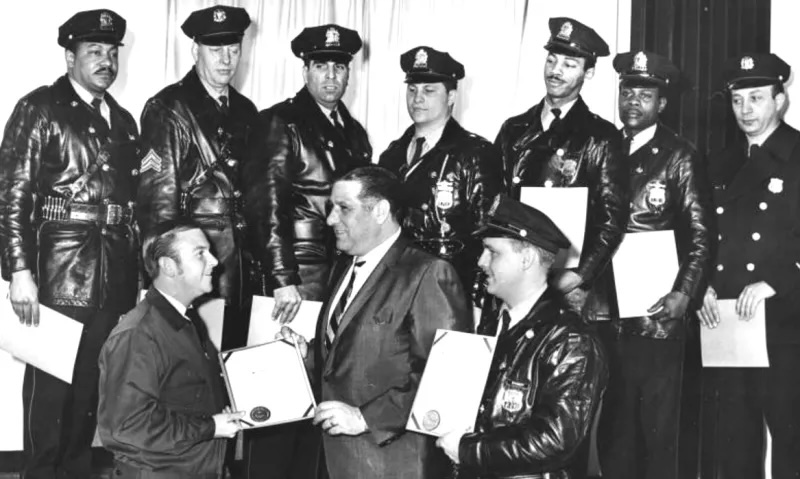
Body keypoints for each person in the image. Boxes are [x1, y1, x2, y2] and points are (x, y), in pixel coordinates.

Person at [0, 10, 139, 478]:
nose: (106, 61)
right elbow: (12, 194)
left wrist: (135, 279)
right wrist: (20, 271)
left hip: (111, 277)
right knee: (50, 398)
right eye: (94, 52)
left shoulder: (122, 121)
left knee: (88, 396)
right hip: (57, 273)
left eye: (112, 52)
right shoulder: (38, 109)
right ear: (69, 56)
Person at [280, 166, 472, 478]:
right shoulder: (343, 266)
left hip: (391, 463)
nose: (330, 220)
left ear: (381, 210)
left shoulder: (428, 273)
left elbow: (445, 380)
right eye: (331, 208)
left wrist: (365, 418)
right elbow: (349, 352)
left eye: (343, 208)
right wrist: (310, 355)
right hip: (333, 460)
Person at [241, 24, 371, 479]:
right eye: (322, 66)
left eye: (339, 67)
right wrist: (282, 279)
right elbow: (266, 205)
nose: (331, 76)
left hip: (338, 279)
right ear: (306, 70)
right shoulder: (280, 122)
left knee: (320, 393)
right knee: (278, 401)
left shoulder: (354, 133)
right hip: (295, 279)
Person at [596, 51, 714, 479]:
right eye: (628, 91)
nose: (633, 101)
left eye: (644, 94)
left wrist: (685, 291)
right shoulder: (603, 148)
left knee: (659, 432)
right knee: (613, 431)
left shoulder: (680, 156)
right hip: (604, 312)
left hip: (656, 316)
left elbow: (702, 235)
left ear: (662, 104)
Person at [435, 195, 607, 479]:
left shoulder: (571, 341)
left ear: (526, 259)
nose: (480, 261)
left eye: (493, 252)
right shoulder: (492, 324)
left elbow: (554, 440)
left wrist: (469, 451)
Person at [697, 53, 800, 479]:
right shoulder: (719, 161)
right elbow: (699, 236)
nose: (745, 111)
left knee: (792, 438)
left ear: (781, 100)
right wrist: (699, 283)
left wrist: (774, 282)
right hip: (728, 319)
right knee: (733, 439)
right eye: (737, 101)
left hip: (784, 320)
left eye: (756, 98)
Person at [136, 5, 259, 350]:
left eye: (233, 50)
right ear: (196, 50)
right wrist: (160, 280)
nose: (226, 60)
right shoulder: (169, 108)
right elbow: (157, 204)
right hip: (192, 265)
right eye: (215, 50)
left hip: (240, 266)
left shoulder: (246, 111)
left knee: (233, 360)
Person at [494, 17, 628, 320]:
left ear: (588, 72)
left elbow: (612, 218)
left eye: (569, 64)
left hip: (572, 288)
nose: (556, 71)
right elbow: (496, 203)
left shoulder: (602, 137)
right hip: (517, 276)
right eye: (552, 60)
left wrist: (580, 275)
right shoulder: (513, 129)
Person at [98, 219, 244, 478]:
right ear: (168, 266)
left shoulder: (183, 320)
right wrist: (210, 427)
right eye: (200, 253)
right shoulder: (138, 335)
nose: (214, 261)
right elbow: (128, 425)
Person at [379, 46, 502, 305]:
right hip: (394, 287)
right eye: (412, 90)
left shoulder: (474, 154)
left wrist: (479, 300)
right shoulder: (391, 155)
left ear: (451, 97)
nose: (417, 99)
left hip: (449, 287)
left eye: (429, 90)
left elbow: (488, 233)